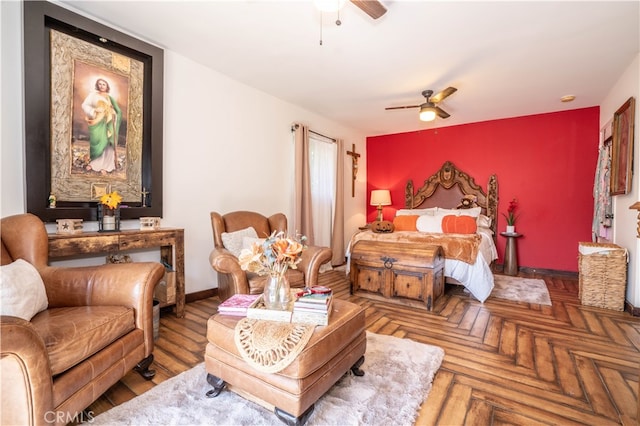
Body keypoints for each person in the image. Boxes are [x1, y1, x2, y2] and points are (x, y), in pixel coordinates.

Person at [81, 78, 122, 173]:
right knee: (97, 141)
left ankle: (107, 166)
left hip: (109, 123)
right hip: (98, 122)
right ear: (97, 85)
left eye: (104, 84)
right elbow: (85, 105)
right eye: (99, 84)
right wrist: (94, 110)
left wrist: (113, 113)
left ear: (107, 86)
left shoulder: (109, 98)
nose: (101, 86)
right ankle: (94, 164)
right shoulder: (92, 95)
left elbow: (118, 111)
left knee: (108, 143)